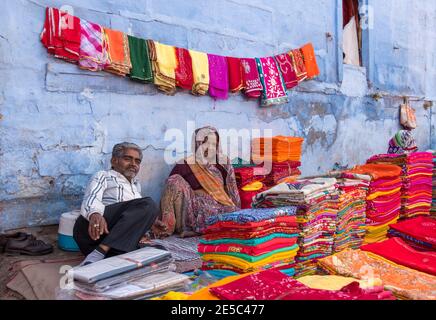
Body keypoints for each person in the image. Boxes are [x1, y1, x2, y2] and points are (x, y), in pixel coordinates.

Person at [73, 142, 159, 266]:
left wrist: (150, 223)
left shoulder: (136, 186)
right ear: (114, 160)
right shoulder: (104, 176)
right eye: (127, 159)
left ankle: (111, 257)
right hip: (94, 232)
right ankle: (100, 252)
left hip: (116, 241)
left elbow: (132, 217)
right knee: (149, 204)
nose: (133, 164)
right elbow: (91, 198)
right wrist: (95, 214)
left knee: (159, 251)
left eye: (137, 161)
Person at [153, 126, 241, 238]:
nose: (209, 148)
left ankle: (198, 231)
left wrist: (237, 210)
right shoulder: (185, 164)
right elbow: (171, 190)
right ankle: (166, 228)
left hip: (218, 206)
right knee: (174, 180)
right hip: (193, 208)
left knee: (232, 214)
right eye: (205, 144)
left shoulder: (223, 163)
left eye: (213, 144)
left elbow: (232, 189)